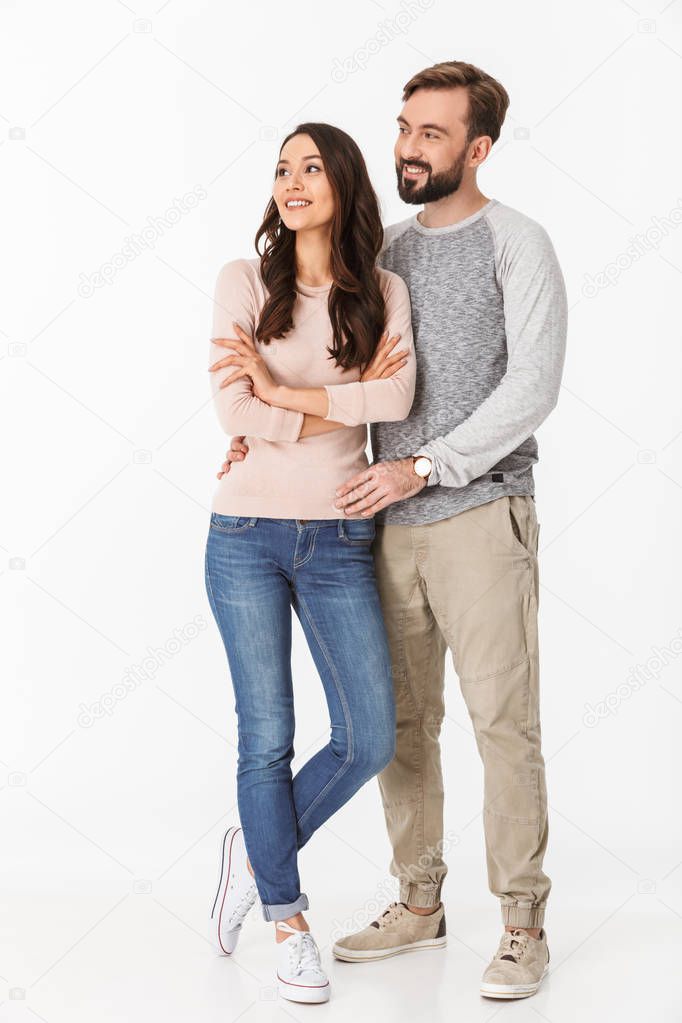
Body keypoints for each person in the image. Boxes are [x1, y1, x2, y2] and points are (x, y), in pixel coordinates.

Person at [219, 61, 568, 1001]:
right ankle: (420, 900)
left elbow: (532, 386)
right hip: (373, 526)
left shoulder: (518, 244)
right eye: (405, 127)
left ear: (478, 148)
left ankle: (522, 923)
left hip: (481, 511)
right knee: (401, 729)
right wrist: (267, 443)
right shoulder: (390, 259)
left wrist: (424, 464)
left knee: (504, 725)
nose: (408, 147)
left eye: (432, 133)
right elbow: (351, 380)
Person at [204, 121, 417, 1005]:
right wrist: (333, 410)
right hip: (244, 534)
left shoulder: (383, 292)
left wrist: (283, 393)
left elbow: (397, 396)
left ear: (343, 185)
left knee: (369, 735)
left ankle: (256, 849)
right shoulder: (243, 282)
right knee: (268, 736)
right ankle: (287, 916)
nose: (293, 182)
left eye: (312, 168)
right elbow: (229, 407)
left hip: (339, 536)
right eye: (283, 169)